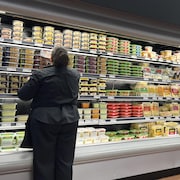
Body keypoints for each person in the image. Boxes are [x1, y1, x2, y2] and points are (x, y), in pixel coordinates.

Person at [18, 46, 80, 180]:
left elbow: (23, 95)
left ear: (51, 59)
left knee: (44, 162)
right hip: (70, 120)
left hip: (44, 121)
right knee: (65, 161)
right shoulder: (75, 75)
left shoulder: (40, 75)